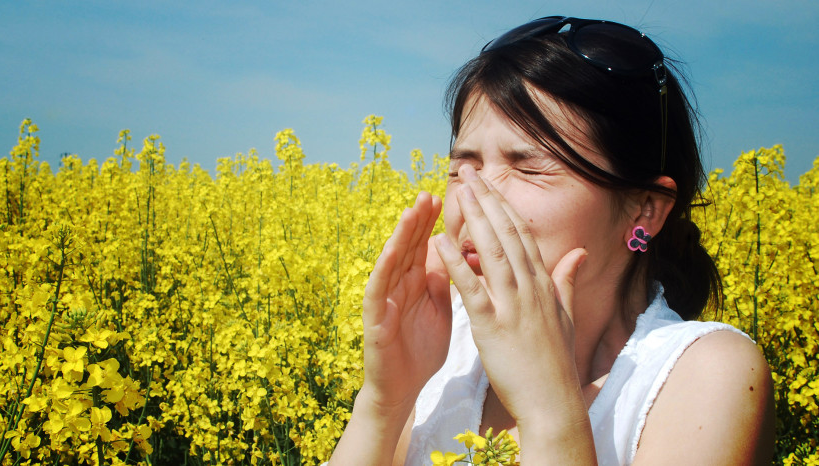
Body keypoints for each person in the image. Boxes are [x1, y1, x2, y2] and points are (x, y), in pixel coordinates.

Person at [327, 16, 775, 465]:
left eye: (528, 168)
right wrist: (384, 402)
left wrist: (549, 411)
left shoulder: (705, 375)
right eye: (462, 168)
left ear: (646, 209)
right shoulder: (446, 347)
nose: (475, 198)